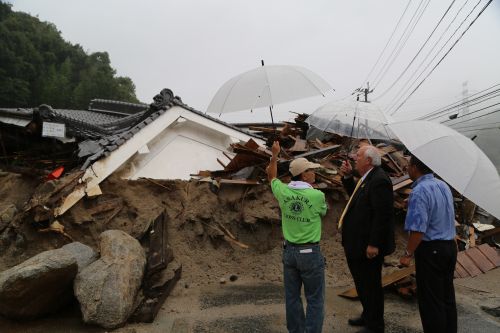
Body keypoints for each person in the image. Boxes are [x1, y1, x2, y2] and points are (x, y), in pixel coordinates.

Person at [266, 141, 327, 333]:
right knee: (315, 299)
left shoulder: (283, 191)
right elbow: (323, 213)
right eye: (311, 169)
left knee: (292, 297)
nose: (314, 172)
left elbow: (271, 176)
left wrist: (274, 154)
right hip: (310, 252)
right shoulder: (317, 195)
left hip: (289, 252)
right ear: (304, 174)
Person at [339, 145, 395, 333]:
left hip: (368, 247)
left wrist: (374, 244)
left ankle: (375, 325)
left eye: (359, 155)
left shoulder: (379, 180)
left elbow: (383, 215)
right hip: (357, 243)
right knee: (362, 283)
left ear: (369, 161)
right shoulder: (367, 178)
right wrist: (347, 177)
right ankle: (367, 315)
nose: (355, 157)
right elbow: (355, 198)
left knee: (370, 286)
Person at [399, 155, 457, 333]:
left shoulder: (419, 191)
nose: (407, 169)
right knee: (446, 296)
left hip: (431, 250)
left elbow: (418, 230)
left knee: (431, 301)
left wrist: (408, 254)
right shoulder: (442, 185)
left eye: (408, 166)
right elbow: (440, 210)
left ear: (415, 168)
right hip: (449, 246)